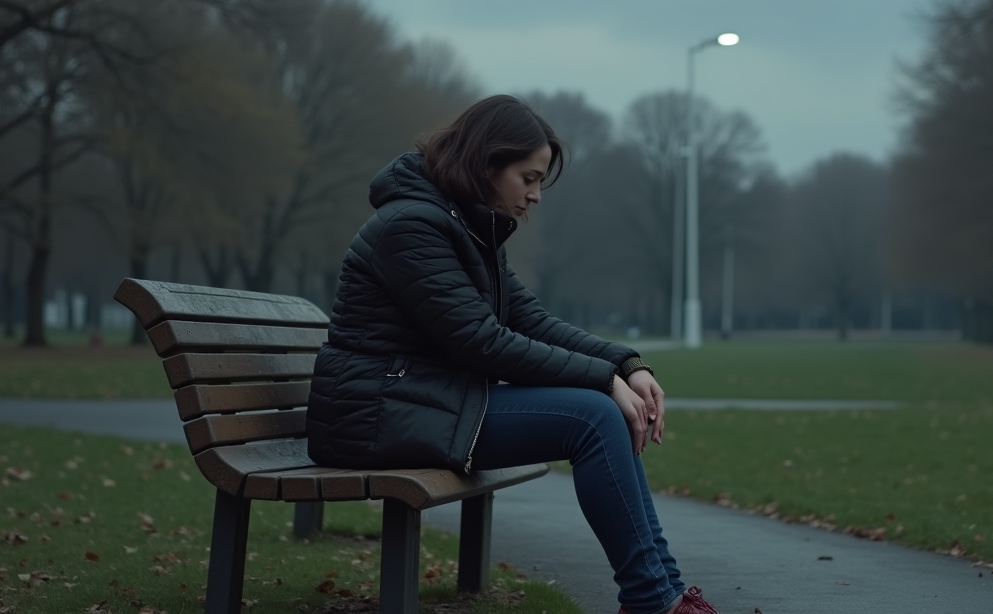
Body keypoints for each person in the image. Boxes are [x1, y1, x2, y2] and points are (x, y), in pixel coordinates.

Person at [306, 95, 718, 614]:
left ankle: (664, 594)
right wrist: (603, 381)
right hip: (375, 415)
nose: (536, 195)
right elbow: (482, 343)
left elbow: (531, 321)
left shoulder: (467, 226)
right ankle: (653, 601)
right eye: (528, 178)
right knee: (593, 416)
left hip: (424, 401)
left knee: (602, 409)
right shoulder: (410, 227)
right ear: (486, 164)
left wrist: (625, 363)